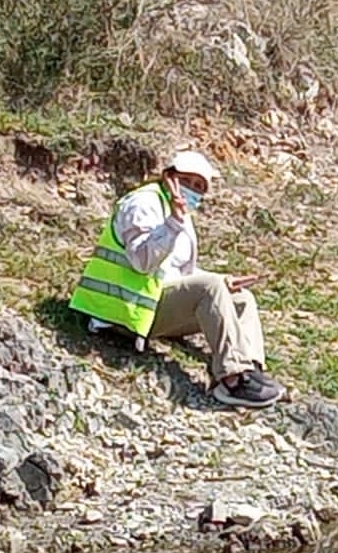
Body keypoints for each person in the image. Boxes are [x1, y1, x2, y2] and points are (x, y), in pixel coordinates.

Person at [68, 150, 285, 409]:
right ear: (169, 177)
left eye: (199, 187)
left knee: (241, 298)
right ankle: (232, 380)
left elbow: (176, 271)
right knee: (212, 287)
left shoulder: (177, 211)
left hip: (149, 307)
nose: (193, 190)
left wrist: (222, 280)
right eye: (187, 181)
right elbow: (142, 262)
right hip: (121, 311)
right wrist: (173, 223)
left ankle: (250, 371)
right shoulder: (144, 204)